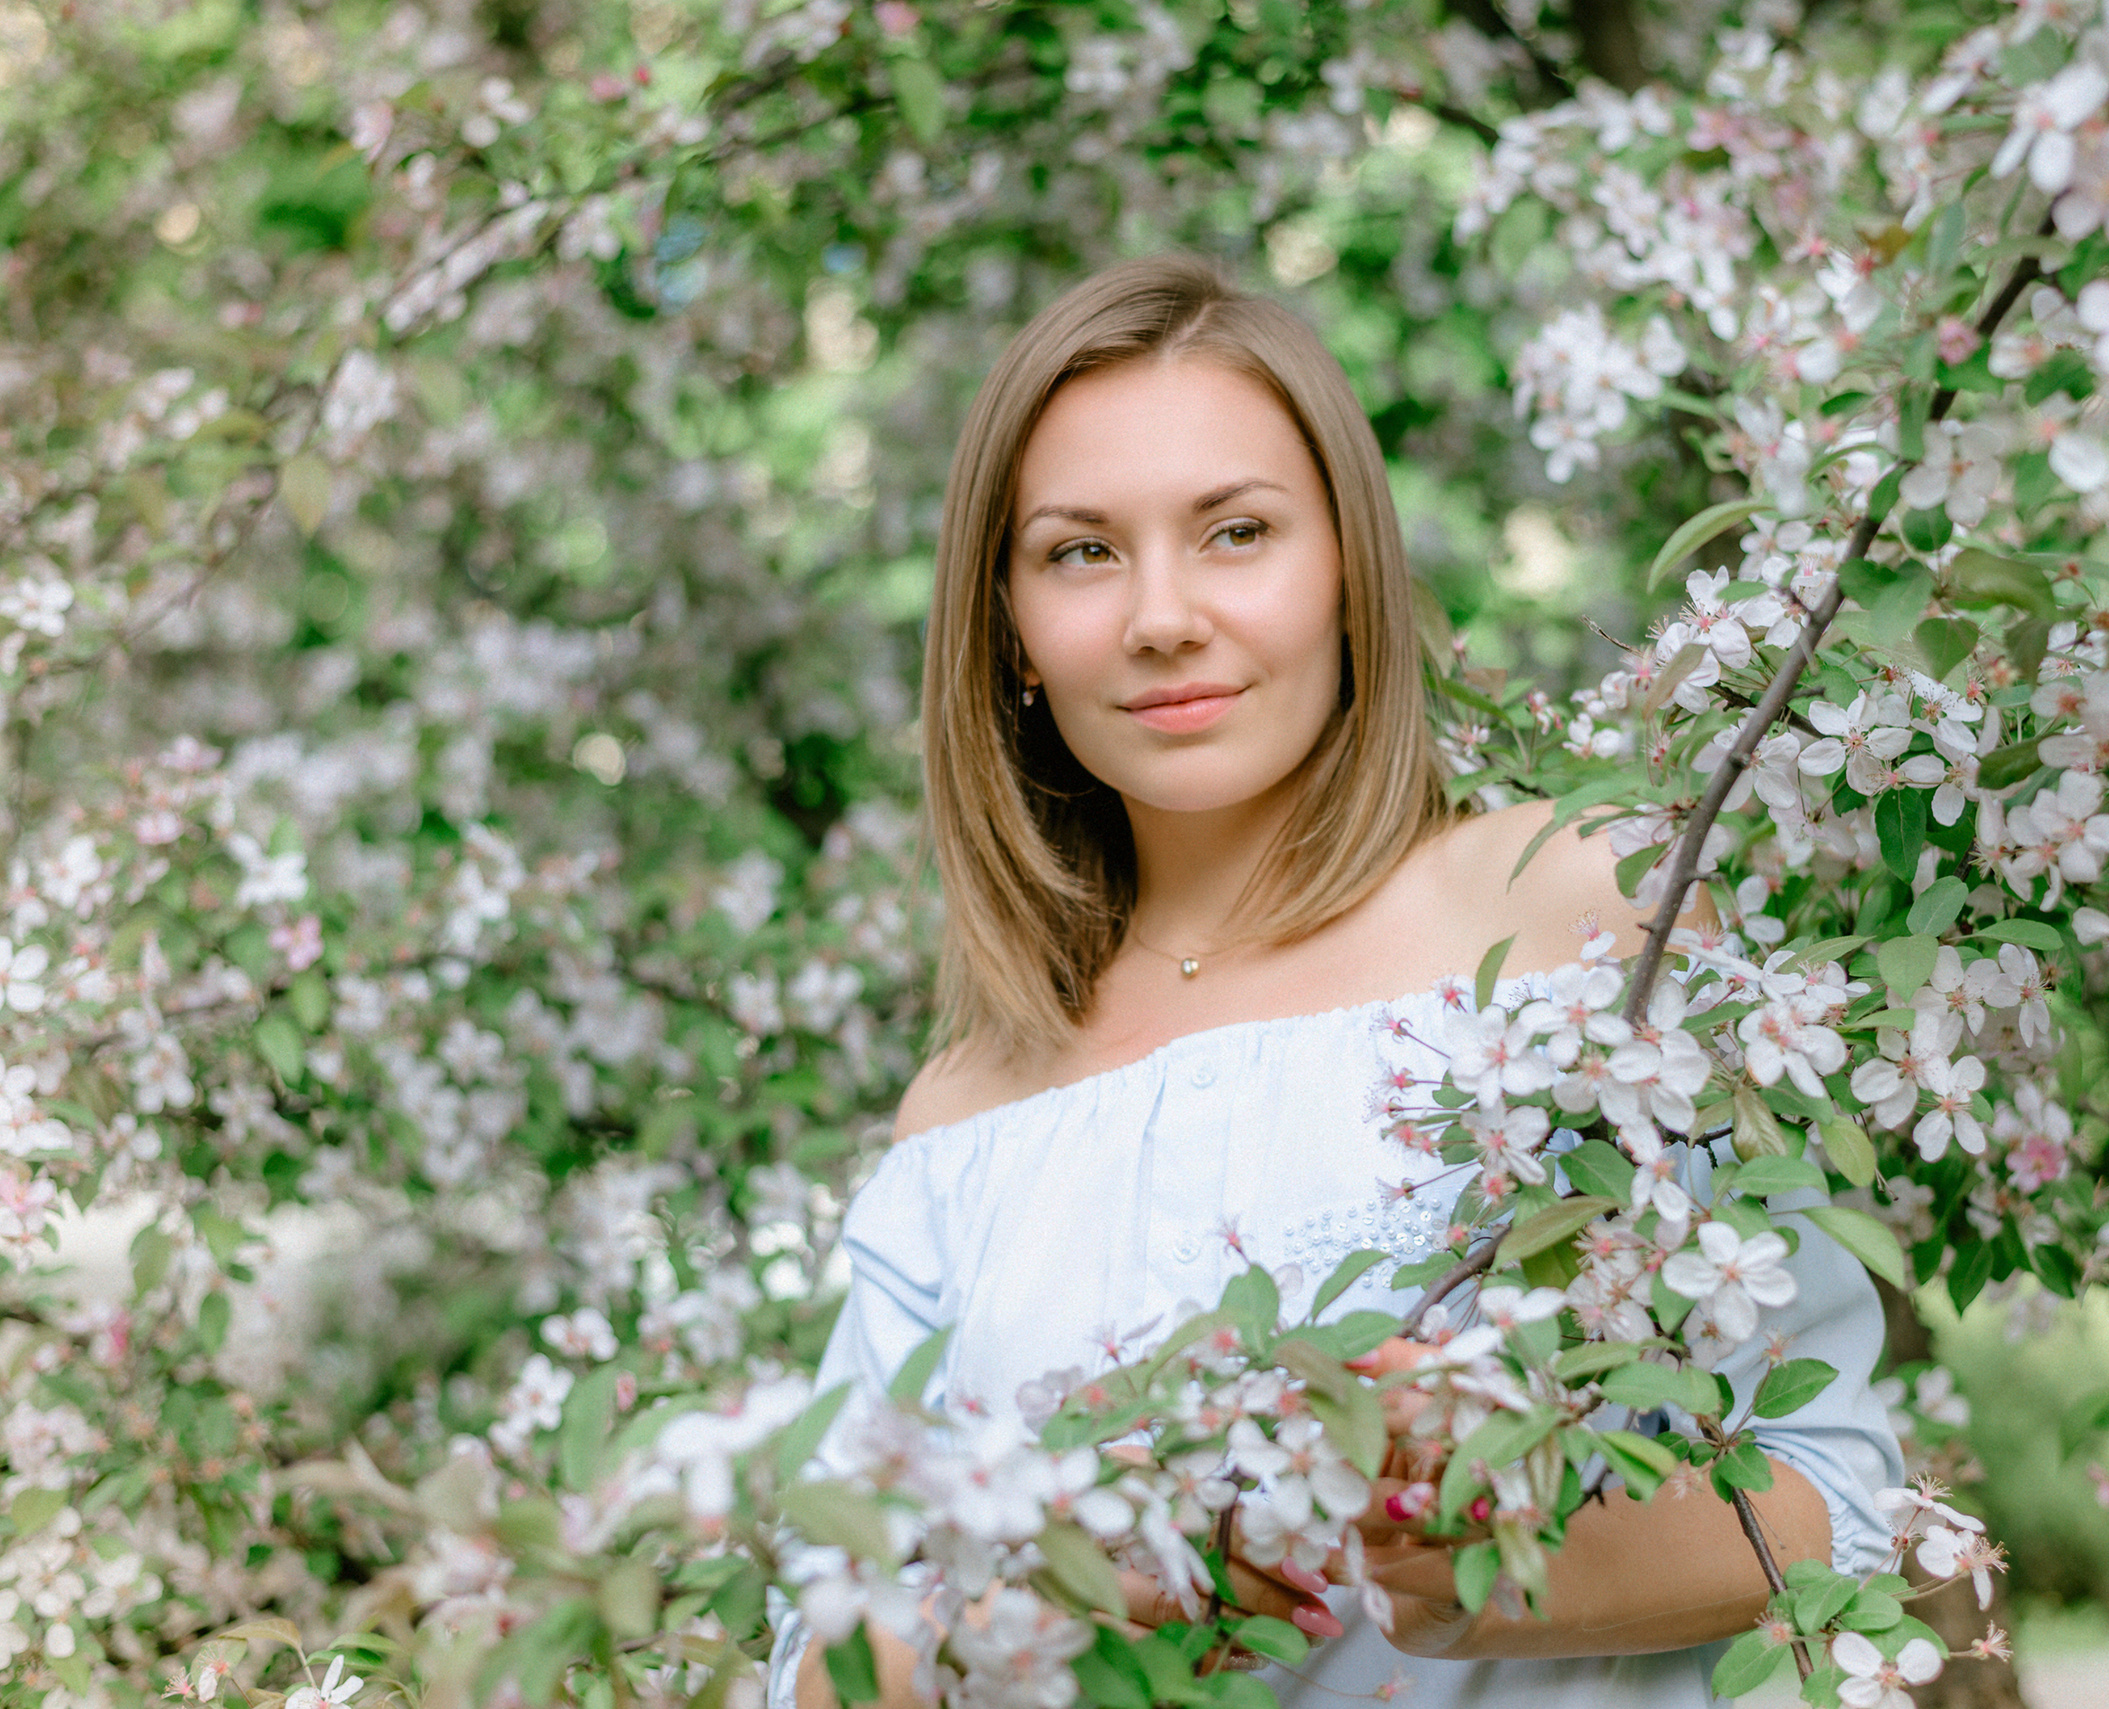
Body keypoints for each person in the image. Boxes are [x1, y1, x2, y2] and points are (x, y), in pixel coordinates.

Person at [775, 254, 1899, 1709]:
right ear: (1010, 635)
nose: (1161, 616)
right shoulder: (966, 1119)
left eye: (1235, 531)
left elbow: (1835, 1496)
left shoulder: (1571, 911)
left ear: (1351, 572)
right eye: (1080, 552)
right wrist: (1040, 1597)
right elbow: (810, 1652)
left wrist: (1478, 1567)